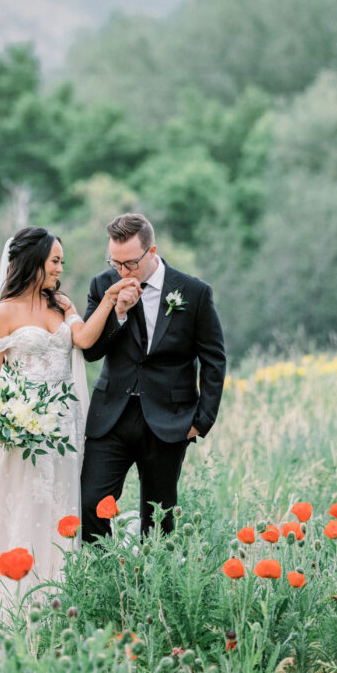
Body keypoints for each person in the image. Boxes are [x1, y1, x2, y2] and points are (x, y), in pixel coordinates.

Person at [0, 226, 137, 639]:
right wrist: (12, 420)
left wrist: (107, 301)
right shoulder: (4, 313)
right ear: (34, 262)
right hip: (23, 434)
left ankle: (56, 600)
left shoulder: (62, 304)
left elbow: (85, 340)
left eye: (62, 262)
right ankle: (13, 601)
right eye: (55, 261)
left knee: (59, 507)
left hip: (63, 430)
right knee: (23, 509)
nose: (60, 269)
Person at [80, 213, 226, 542]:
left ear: (152, 251)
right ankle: (106, 582)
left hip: (168, 420)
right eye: (115, 262)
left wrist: (201, 421)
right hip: (111, 416)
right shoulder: (103, 285)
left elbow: (214, 359)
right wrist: (117, 312)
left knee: (158, 518)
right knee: (90, 503)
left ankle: (150, 590)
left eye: (130, 263)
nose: (122, 271)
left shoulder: (194, 291)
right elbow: (91, 352)